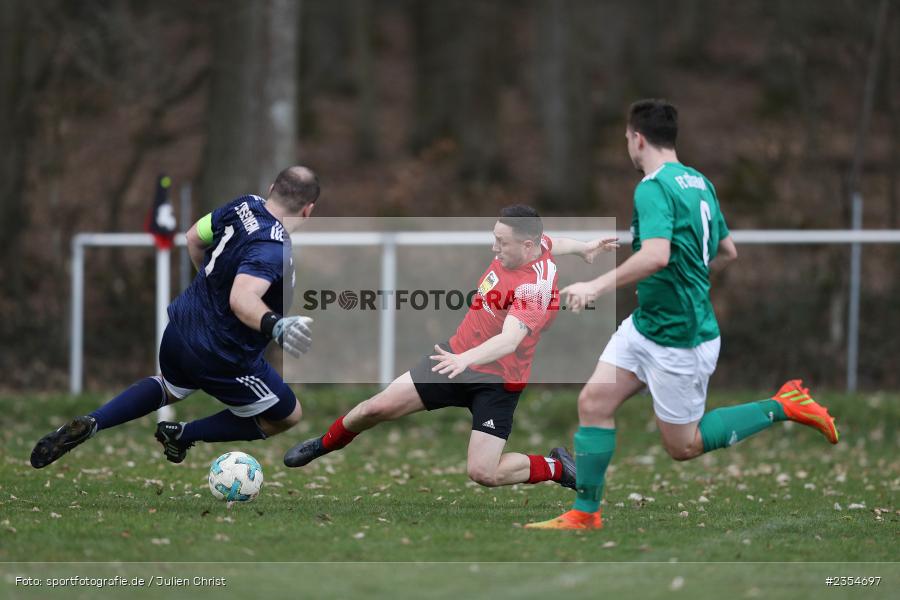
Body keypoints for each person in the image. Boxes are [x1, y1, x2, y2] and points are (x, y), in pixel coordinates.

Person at [526, 100, 839, 530]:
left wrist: (594, 285)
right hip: (646, 324)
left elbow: (656, 255)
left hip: (680, 338)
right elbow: (727, 252)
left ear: (637, 139)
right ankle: (585, 514)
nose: (627, 147)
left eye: (626, 140)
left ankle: (783, 404)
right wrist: (689, 280)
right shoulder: (699, 182)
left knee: (684, 445)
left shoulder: (653, 187)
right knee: (593, 402)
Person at [284, 205, 618, 490]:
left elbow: (509, 340)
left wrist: (465, 360)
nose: (494, 248)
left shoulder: (535, 287)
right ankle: (322, 445)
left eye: (501, 243)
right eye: (494, 238)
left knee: (483, 473)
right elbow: (552, 242)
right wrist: (584, 247)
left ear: (525, 247)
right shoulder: (532, 245)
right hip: (452, 358)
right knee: (373, 408)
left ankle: (557, 468)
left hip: (496, 381)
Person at [31, 166, 320, 468]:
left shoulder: (244, 203)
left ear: (273, 186)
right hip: (223, 353)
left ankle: (93, 421)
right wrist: (276, 325)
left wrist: (210, 294)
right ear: (308, 210)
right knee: (287, 414)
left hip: (181, 329)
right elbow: (241, 299)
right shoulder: (272, 248)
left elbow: (193, 236)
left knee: (170, 386)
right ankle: (183, 435)